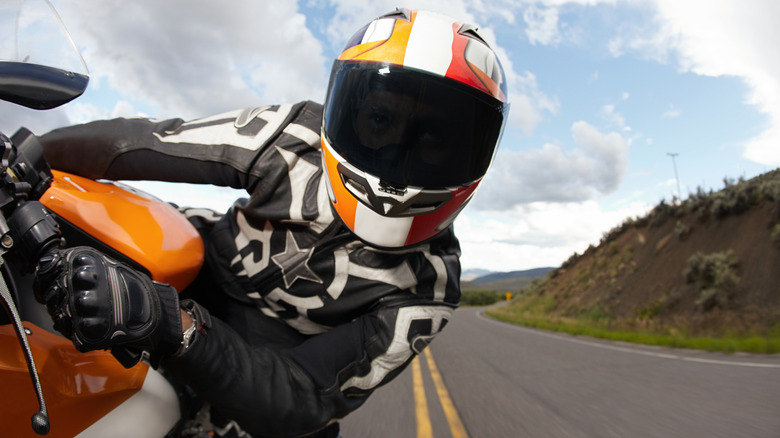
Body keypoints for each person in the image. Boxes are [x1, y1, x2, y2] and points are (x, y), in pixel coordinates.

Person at [33, 8, 509, 438]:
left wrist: (168, 323)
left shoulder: (430, 288)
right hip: (199, 268)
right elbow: (148, 144)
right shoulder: (294, 135)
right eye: (380, 117)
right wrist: (29, 151)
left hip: (268, 362)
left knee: (307, 431)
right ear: (344, 108)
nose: (396, 153)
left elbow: (304, 396)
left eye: (435, 136)